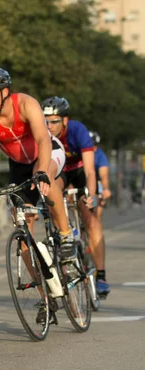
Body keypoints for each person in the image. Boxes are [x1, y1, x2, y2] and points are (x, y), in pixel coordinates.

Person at [0, 67, 74, 267]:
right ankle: (45, 294)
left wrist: (41, 171)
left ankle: (66, 235)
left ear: (5, 92)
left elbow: (43, 139)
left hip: (47, 153)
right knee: (23, 229)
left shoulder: (26, 104)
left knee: (45, 176)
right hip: (18, 165)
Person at [41, 97, 109, 297]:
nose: (49, 126)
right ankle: (65, 238)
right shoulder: (42, 133)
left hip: (79, 172)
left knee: (90, 217)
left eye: (54, 121)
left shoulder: (78, 131)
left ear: (65, 120)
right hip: (60, 171)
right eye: (46, 121)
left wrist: (92, 195)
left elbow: (90, 171)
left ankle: (101, 275)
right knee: (52, 195)